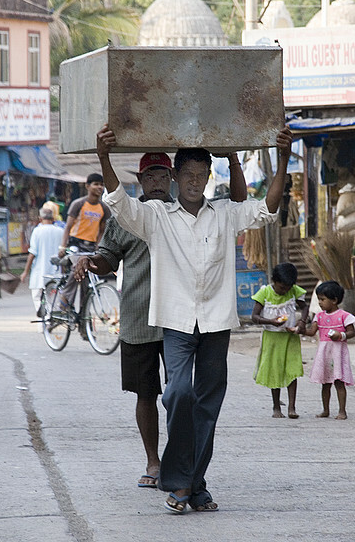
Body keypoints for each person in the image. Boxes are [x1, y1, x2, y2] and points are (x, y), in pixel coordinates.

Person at [95, 122, 292, 514]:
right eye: (188, 175)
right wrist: (104, 156)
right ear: (175, 177)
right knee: (177, 394)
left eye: (202, 176)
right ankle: (186, 481)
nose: (194, 182)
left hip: (217, 323)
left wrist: (284, 158)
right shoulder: (156, 215)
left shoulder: (224, 213)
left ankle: (190, 485)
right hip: (177, 322)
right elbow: (119, 202)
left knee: (207, 405)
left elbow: (267, 209)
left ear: (208, 177)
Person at [75, 150, 247, 490]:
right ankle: (155, 461)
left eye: (161, 176)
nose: (156, 182)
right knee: (146, 394)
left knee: (180, 394)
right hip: (140, 317)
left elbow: (240, 208)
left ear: (173, 178)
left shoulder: (182, 212)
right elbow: (108, 259)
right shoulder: (131, 216)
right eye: (149, 177)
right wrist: (91, 261)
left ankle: (183, 468)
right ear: (140, 181)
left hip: (182, 318)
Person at [251, 262, 309, 419]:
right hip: (272, 338)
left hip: (290, 337)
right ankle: (276, 407)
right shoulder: (265, 293)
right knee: (275, 371)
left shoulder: (294, 291)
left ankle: (292, 407)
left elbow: (304, 307)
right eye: (282, 287)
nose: (285, 291)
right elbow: (254, 317)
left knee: (292, 370)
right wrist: (271, 322)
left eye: (288, 288)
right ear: (274, 281)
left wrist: (302, 322)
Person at [297, 280, 355, 420]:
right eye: (319, 299)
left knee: (339, 382)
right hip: (324, 353)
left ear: (334, 300)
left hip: (337, 353)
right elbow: (312, 332)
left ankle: (342, 411)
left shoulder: (344, 316)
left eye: (322, 299)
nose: (320, 303)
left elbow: (351, 332)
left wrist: (340, 335)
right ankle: (326, 410)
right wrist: (300, 330)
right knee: (325, 383)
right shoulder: (319, 316)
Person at [58, 173, 111, 308]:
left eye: (101, 184)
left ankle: (83, 318)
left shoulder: (104, 208)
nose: (99, 187)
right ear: (88, 186)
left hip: (91, 247)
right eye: (96, 184)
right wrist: (62, 246)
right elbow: (68, 227)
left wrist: (99, 247)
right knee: (77, 268)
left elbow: (102, 231)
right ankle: (65, 298)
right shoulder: (79, 204)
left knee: (87, 282)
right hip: (75, 244)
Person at [20, 206, 64, 315]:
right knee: (53, 299)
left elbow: (32, 253)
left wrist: (25, 271)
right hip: (56, 273)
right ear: (53, 218)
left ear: (40, 218)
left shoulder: (37, 231)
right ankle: (52, 320)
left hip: (39, 273)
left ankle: (44, 323)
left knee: (37, 298)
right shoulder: (60, 231)